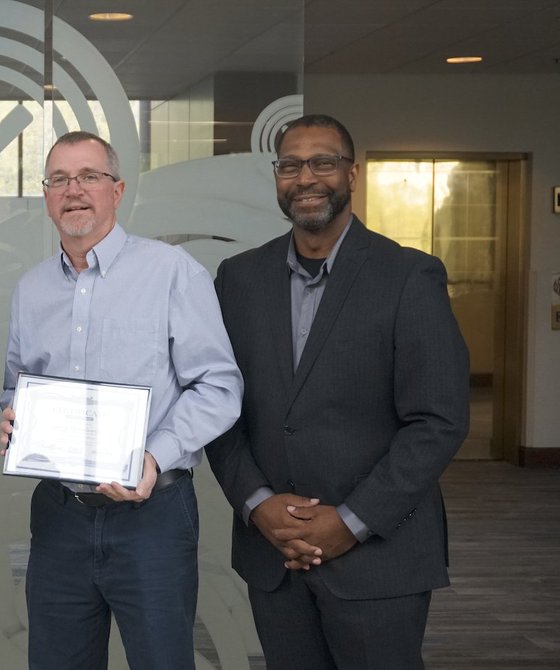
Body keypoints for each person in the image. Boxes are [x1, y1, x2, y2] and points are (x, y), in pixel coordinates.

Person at [207, 114, 470, 670]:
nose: (306, 178)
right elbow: (218, 405)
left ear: (352, 174)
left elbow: (438, 420)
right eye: (291, 165)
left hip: (379, 557)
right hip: (273, 556)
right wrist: (259, 506)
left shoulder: (409, 276)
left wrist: (349, 521)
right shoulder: (238, 278)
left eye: (323, 162)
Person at [0, 130, 243, 669]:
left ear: (117, 189)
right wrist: (16, 419)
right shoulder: (31, 290)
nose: (74, 189)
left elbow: (220, 387)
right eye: (59, 179)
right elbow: (16, 385)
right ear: (46, 197)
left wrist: (152, 455)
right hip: (60, 516)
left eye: (89, 176)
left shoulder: (172, 273)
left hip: (152, 516)